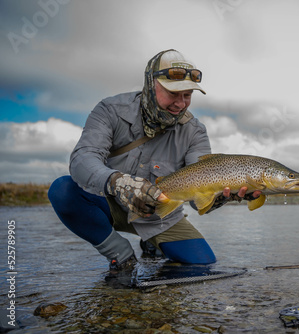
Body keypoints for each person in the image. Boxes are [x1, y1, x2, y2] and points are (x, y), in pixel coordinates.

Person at [48, 49, 260, 286]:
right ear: (151, 84)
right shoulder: (110, 110)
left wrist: (221, 197)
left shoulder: (195, 132)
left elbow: (197, 197)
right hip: (107, 202)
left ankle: (151, 244)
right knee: (62, 190)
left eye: (188, 95)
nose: (180, 104)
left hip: (159, 215)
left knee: (202, 266)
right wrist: (119, 183)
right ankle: (121, 254)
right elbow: (82, 160)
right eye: (173, 94)